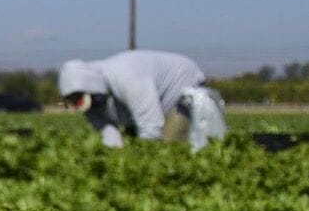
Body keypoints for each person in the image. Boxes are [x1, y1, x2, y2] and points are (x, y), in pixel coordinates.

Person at [58, 49, 226, 151]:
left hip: (184, 91)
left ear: (91, 86)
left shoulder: (128, 77)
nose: (80, 105)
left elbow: (151, 126)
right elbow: (107, 131)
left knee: (170, 146)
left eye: (80, 98)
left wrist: (141, 164)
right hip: (156, 105)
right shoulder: (92, 100)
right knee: (133, 142)